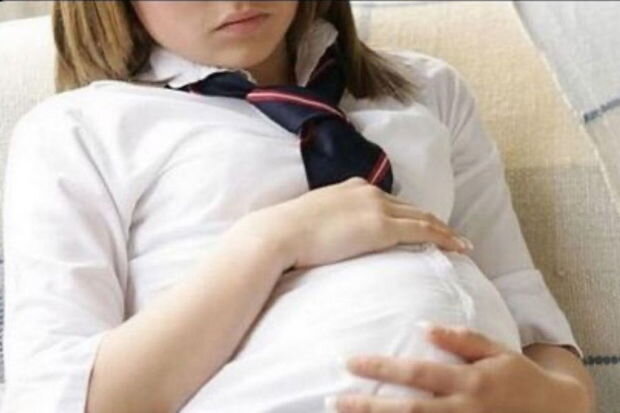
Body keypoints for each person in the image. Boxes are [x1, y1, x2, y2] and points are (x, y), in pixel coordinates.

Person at [2, 1, 595, 413]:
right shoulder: (79, 130)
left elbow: (525, 306)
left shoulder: (429, 92)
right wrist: (271, 243)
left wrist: (557, 400)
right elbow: (63, 399)